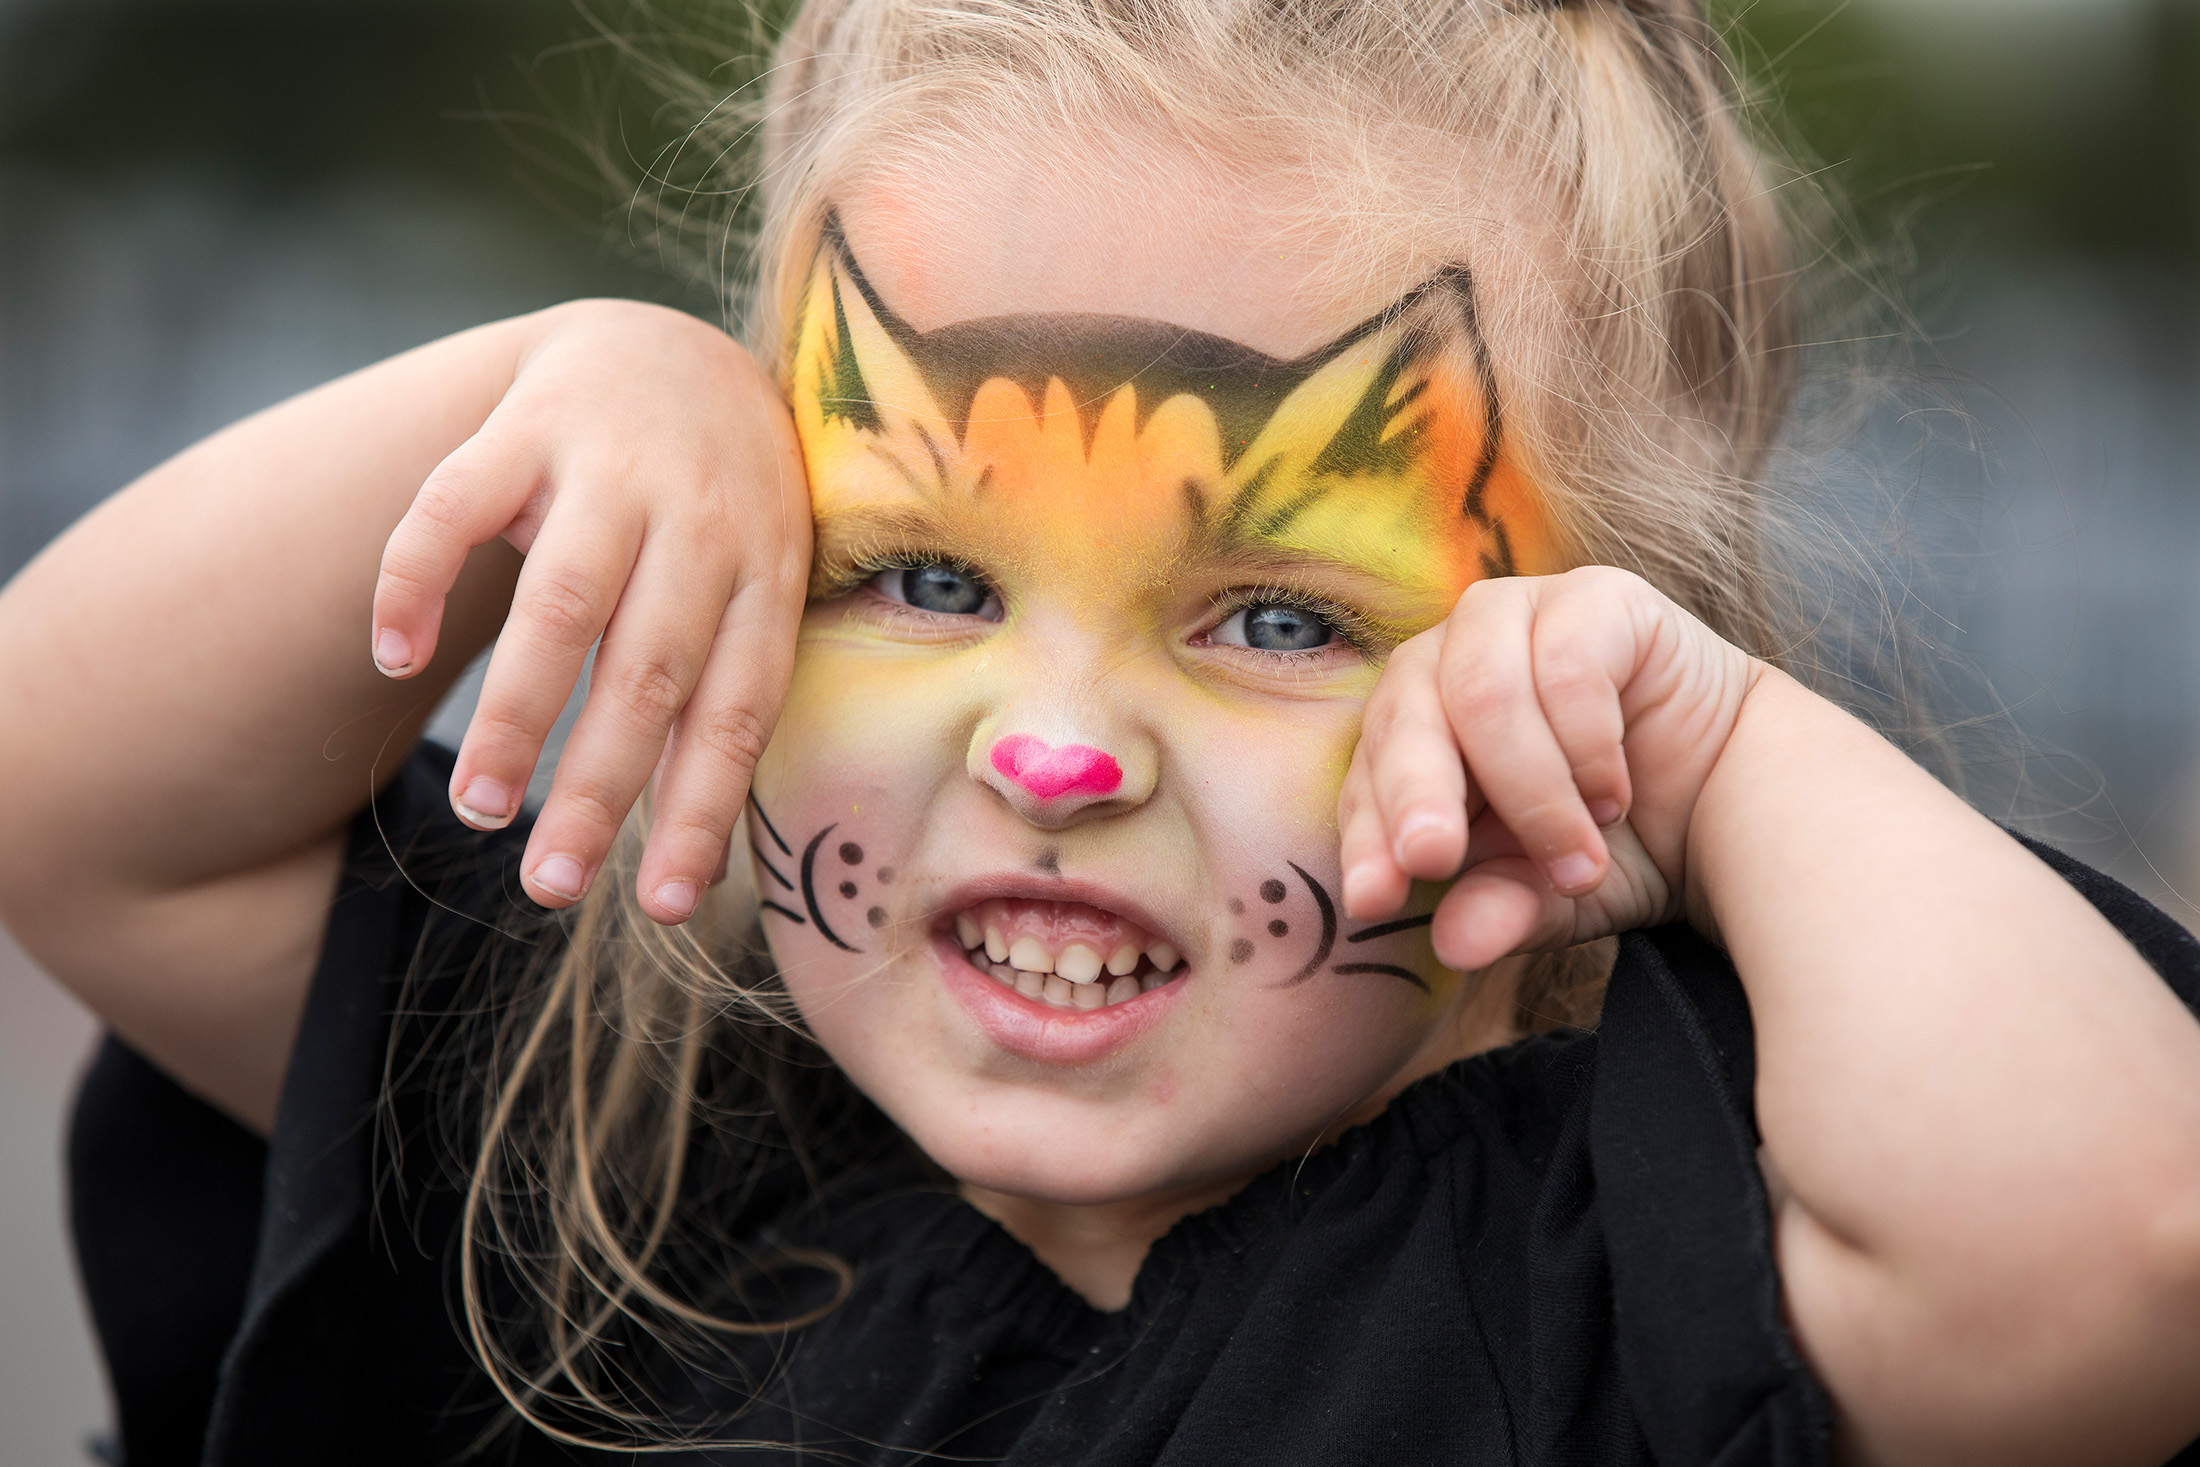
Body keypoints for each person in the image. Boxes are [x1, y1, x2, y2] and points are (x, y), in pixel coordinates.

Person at [1, 1, 2196, 1463]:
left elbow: (2120, 1254)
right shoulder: (610, 1151)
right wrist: (546, 390)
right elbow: (68, 790)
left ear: (1576, 673)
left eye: (1271, 613)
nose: (1055, 749)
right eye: (924, 574)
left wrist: (1716, 752)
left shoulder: (1632, 1278)